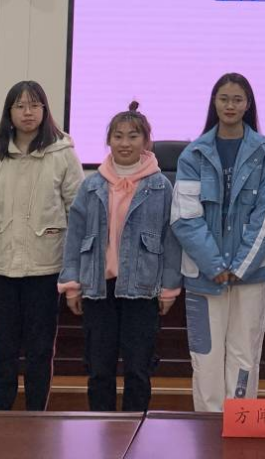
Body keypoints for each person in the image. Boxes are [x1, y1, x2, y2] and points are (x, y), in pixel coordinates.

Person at [59, 102, 181, 412]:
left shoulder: (161, 187)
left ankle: (136, 430)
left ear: (146, 141)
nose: (125, 143)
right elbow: (74, 236)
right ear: (108, 141)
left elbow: (171, 240)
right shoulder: (91, 186)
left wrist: (169, 287)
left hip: (142, 289)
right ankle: (101, 430)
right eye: (118, 136)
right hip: (99, 289)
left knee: (138, 370)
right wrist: (71, 283)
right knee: (99, 370)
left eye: (133, 136)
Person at [171, 73, 265, 411]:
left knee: (244, 355)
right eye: (224, 99)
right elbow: (185, 218)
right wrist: (216, 265)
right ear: (214, 103)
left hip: (252, 275)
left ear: (248, 104)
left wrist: (241, 266)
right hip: (204, 276)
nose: (230, 105)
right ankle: (208, 428)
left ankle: (240, 423)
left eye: (237, 99)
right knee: (205, 357)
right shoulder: (193, 154)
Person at [0, 80, 83, 411]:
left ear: (45, 110)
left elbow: (78, 210)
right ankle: (2, 414)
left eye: (34, 105)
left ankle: (37, 416)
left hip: (45, 268)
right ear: (9, 112)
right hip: (0, 269)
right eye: (19, 106)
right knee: (2, 348)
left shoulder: (63, 154)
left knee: (40, 349)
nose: (27, 112)